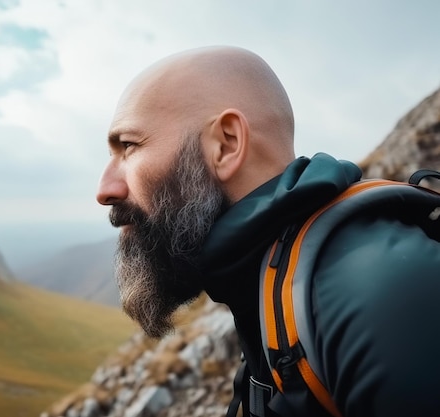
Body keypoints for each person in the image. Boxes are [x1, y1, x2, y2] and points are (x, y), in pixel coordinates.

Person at [95, 45, 440, 417]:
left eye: (128, 146)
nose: (105, 188)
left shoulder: (376, 291)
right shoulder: (267, 278)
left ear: (226, 144)